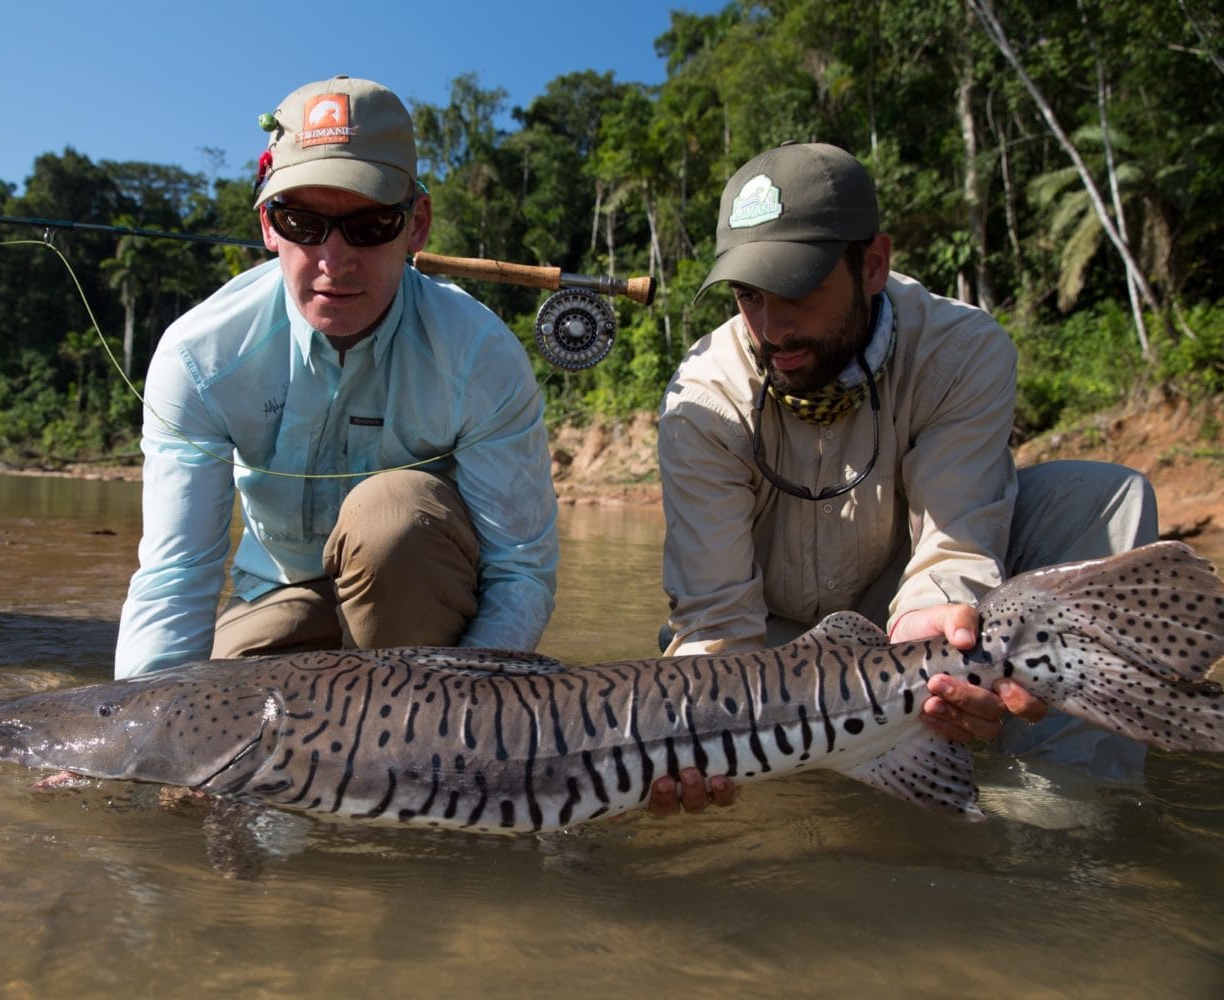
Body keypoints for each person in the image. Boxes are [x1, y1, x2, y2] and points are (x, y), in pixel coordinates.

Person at [651, 141, 1157, 813]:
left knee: (1104, 497)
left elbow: (957, 544)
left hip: (913, 624)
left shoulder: (963, 349)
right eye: (749, 296)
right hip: (769, 649)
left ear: (874, 264)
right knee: (689, 716)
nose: (773, 329)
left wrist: (937, 641)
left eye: (798, 289)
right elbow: (717, 621)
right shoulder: (701, 399)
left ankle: (1062, 802)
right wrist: (690, 737)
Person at [115, 76, 558, 678]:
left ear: (417, 225)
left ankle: (418, 717)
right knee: (203, 738)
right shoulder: (200, 356)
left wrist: (475, 701)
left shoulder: (480, 357)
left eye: (370, 225)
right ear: (269, 224)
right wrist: (140, 731)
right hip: (278, 597)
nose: (334, 260)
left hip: (429, 614)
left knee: (391, 516)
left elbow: (519, 572)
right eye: (304, 222)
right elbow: (177, 574)